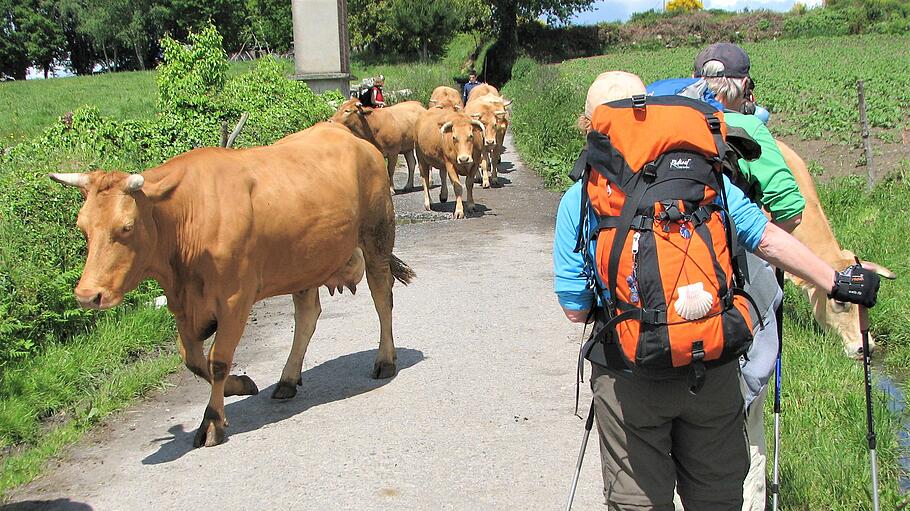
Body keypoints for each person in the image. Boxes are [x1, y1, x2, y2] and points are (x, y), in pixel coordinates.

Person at [554, 71, 880, 510]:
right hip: (711, 366)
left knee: (639, 502)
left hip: (631, 371)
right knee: (719, 499)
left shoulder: (582, 195)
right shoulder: (705, 177)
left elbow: (576, 309)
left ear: (589, 124)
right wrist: (836, 280)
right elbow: (766, 237)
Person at [648, 42, 804, 510]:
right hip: (736, 309)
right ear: (744, 86)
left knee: (677, 425)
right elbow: (790, 211)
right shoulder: (749, 127)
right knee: (743, 429)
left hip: (664, 308)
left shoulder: (662, 124)